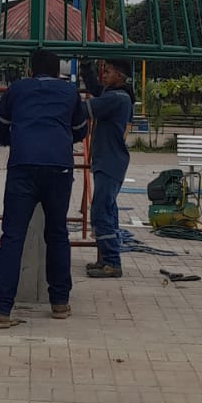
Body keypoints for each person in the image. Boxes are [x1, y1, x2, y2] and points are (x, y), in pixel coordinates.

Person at [0, 48, 89, 327]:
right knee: (57, 234)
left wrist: (18, 140)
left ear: (31, 71)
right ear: (57, 72)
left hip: (23, 166)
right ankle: (60, 302)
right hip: (59, 167)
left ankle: (1, 308)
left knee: (12, 236)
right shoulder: (70, 93)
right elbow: (81, 130)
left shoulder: (17, 89)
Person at [80, 57, 134, 279]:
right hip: (109, 161)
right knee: (107, 211)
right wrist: (86, 67)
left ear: (119, 76)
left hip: (109, 162)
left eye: (108, 71)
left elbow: (85, 109)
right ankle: (106, 259)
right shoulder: (116, 95)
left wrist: (58, 97)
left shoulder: (116, 98)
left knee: (101, 211)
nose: (104, 74)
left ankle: (111, 261)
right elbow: (95, 87)